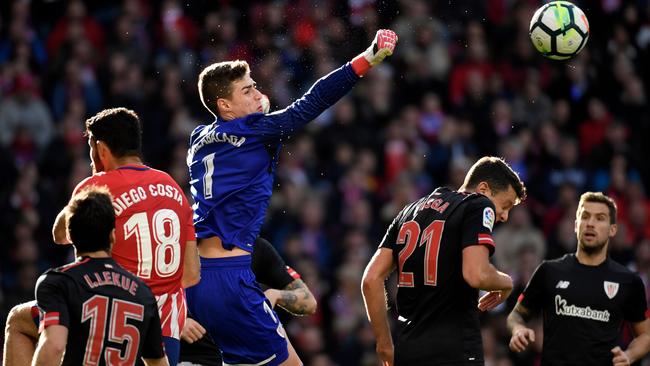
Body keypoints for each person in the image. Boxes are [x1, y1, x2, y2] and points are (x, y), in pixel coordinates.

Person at [185, 29, 397, 366]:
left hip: (194, 278)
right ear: (224, 106)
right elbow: (310, 103)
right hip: (231, 275)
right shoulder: (253, 131)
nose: (257, 93)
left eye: (254, 85)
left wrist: (255, 107)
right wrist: (367, 59)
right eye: (247, 90)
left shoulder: (199, 138)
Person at [3, 107, 199, 366]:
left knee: (18, 320)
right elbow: (191, 274)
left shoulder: (98, 185)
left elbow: (60, 235)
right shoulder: (173, 186)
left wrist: (88, 188)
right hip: (164, 339)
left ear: (102, 150)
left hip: (106, 324)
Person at [361, 156, 527, 366]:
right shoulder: (479, 205)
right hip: (455, 349)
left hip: (408, 349)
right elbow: (476, 273)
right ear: (483, 189)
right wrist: (506, 283)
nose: (505, 216)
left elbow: (371, 279)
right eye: (505, 205)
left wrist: (384, 345)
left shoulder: (409, 211)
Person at [507, 191, 650, 366]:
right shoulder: (549, 271)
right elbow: (516, 315)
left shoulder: (628, 281)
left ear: (612, 229)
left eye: (600, 218)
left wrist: (630, 355)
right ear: (576, 225)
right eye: (585, 216)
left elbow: (646, 335)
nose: (590, 223)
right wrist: (518, 329)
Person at [31, 186, 169, 366]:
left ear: (70, 236)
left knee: (17, 320)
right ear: (112, 236)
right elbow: (158, 362)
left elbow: (55, 345)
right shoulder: (143, 293)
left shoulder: (58, 282)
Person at [178, 238, 317, 366]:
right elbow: (156, 299)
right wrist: (176, 320)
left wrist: (275, 295)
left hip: (245, 355)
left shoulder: (254, 247)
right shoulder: (179, 249)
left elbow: (309, 302)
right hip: (193, 356)